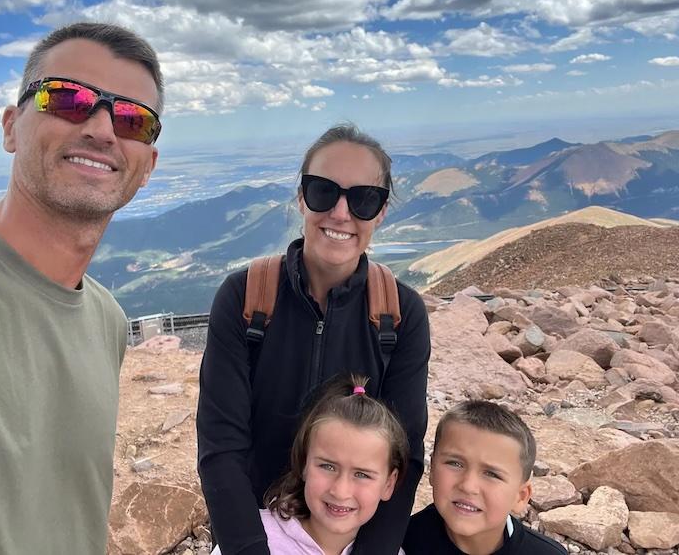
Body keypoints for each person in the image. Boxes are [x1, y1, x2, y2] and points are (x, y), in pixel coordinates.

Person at [0, 22, 163, 554]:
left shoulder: (106, 320)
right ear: (12, 127)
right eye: (67, 98)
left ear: (148, 166)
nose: (104, 128)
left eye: (134, 118)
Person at [198, 123, 430, 554]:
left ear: (380, 211)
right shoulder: (246, 297)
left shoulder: (400, 315)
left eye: (364, 199)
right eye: (324, 190)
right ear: (302, 196)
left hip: (350, 533)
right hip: (253, 532)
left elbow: (406, 455)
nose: (341, 213)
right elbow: (220, 444)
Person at [213, 375, 408, 555]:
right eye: (328, 467)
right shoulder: (250, 535)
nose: (340, 491)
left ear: (389, 484)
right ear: (304, 464)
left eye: (362, 475)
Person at [403, 400, 566, 555]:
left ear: (520, 497)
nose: (468, 486)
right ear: (431, 470)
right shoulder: (401, 541)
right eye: (455, 464)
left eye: (492, 474)